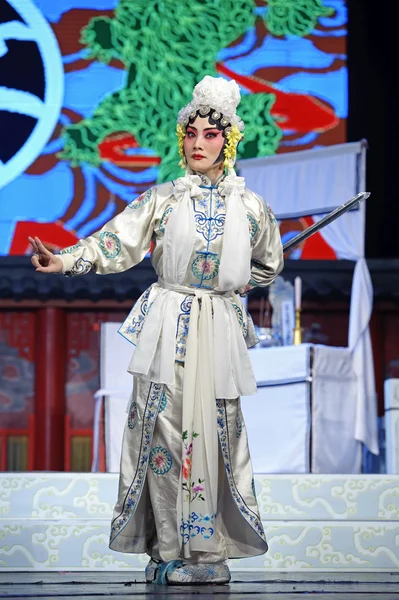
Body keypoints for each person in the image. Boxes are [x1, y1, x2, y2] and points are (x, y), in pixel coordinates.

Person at [29, 76, 283, 585]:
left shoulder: (252, 207)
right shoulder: (163, 199)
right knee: (162, 435)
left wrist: (229, 287)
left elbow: (268, 266)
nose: (197, 143)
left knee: (213, 436)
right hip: (168, 322)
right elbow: (113, 243)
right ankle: (168, 548)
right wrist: (64, 261)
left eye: (210, 135)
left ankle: (208, 556)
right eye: (190, 133)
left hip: (217, 329)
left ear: (228, 141)